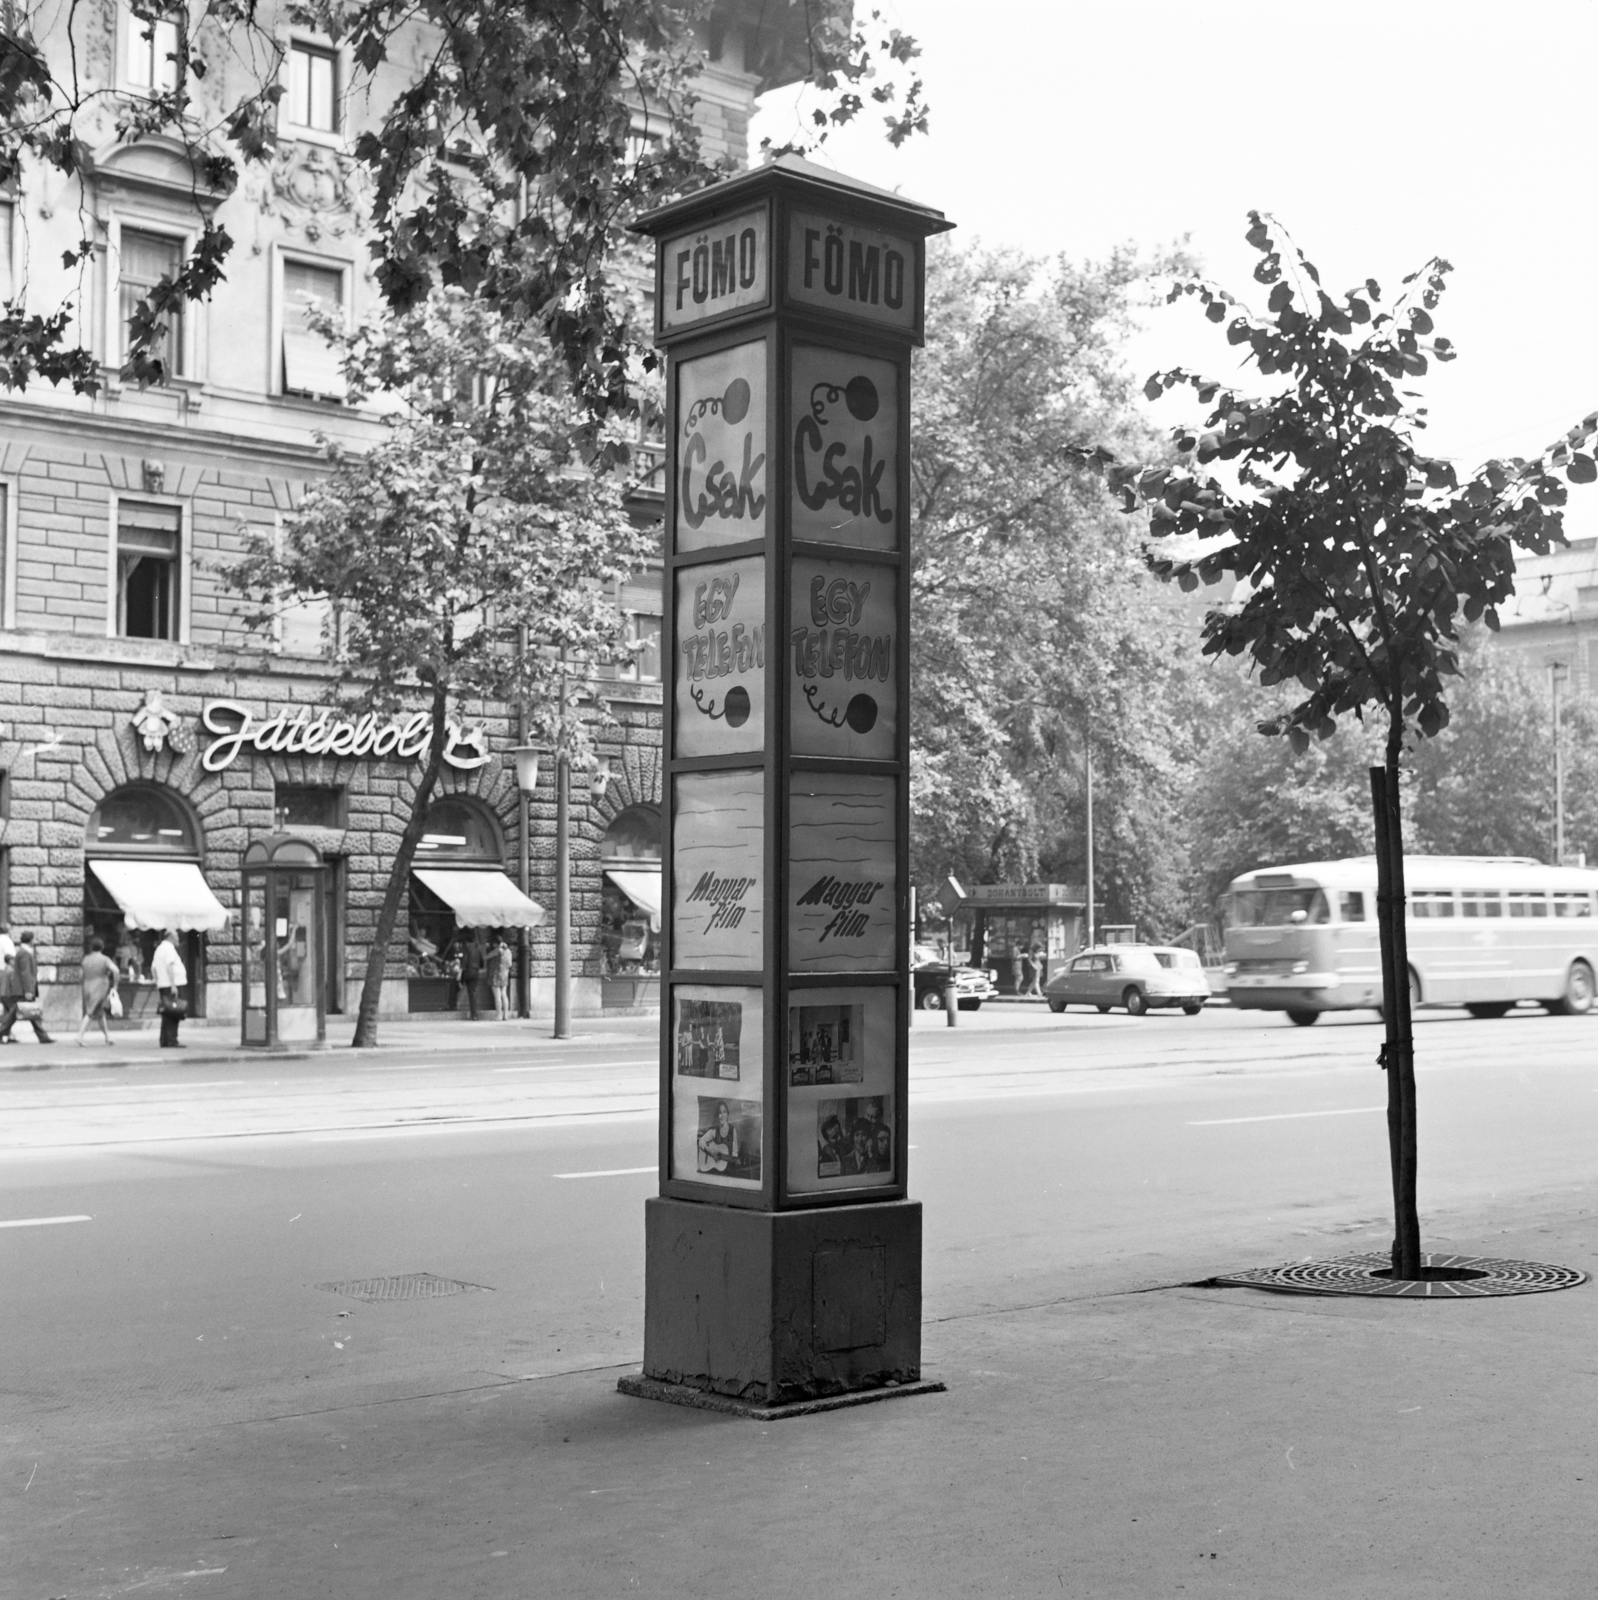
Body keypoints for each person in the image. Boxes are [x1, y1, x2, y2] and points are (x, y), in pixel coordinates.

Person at [0, 931, 54, 1044]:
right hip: (23, 990)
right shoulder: (24, 953)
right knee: (14, 1015)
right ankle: (43, 1036)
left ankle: (43, 1036)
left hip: (23, 989)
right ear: (31, 940)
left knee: (30, 1013)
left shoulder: (23, 952)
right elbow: (25, 973)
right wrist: (29, 990)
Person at [78, 936, 120, 1047]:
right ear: (102, 947)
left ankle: (108, 1037)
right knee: (91, 1013)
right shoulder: (105, 959)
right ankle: (79, 1036)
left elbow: (81, 975)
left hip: (87, 986)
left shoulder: (85, 959)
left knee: (100, 1013)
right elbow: (116, 970)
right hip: (100, 988)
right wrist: (115, 985)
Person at [151, 928, 187, 1048]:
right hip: (172, 985)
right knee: (174, 1013)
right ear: (170, 936)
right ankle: (172, 1040)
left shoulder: (159, 949)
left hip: (163, 984)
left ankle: (164, 1040)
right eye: (176, 936)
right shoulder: (169, 948)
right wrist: (173, 985)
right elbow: (170, 966)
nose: (178, 938)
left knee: (167, 1013)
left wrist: (158, 982)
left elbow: (153, 969)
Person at [698, 1102, 738, 1174]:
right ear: (717, 1115)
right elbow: (701, 1141)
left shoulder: (733, 1130)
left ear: (727, 1114)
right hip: (715, 1170)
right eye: (720, 1113)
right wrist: (710, 1152)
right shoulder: (714, 1131)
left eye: (724, 1112)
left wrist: (734, 1162)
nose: (722, 1115)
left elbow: (735, 1153)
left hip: (728, 1168)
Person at [486, 934, 513, 1021]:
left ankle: (499, 1015)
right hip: (505, 974)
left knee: (497, 996)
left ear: (495, 943)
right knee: (504, 995)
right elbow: (510, 964)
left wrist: (483, 948)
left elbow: (485, 957)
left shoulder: (497, 950)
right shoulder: (508, 951)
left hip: (496, 974)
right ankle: (506, 1015)